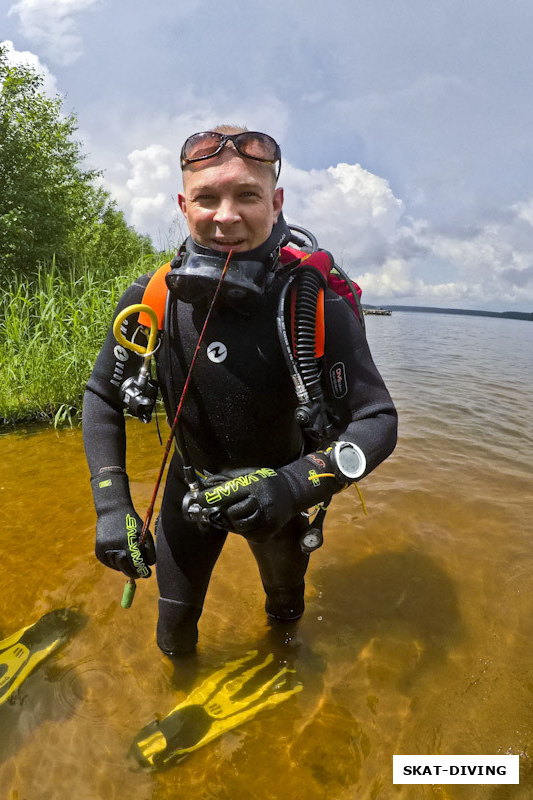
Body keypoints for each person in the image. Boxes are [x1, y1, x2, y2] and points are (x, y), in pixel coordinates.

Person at [82, 126, 397, 657]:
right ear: (184, 205)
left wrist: (294, 487)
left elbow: (378, 421)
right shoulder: (153, 294)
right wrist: (112, 505)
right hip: (190, 494)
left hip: (280, 499)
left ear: (275, 202)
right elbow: (103, 397)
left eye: (247, 195)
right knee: (173, 640)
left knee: (286, 618)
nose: (225, 216)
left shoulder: (313, 300)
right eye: (207, 197)